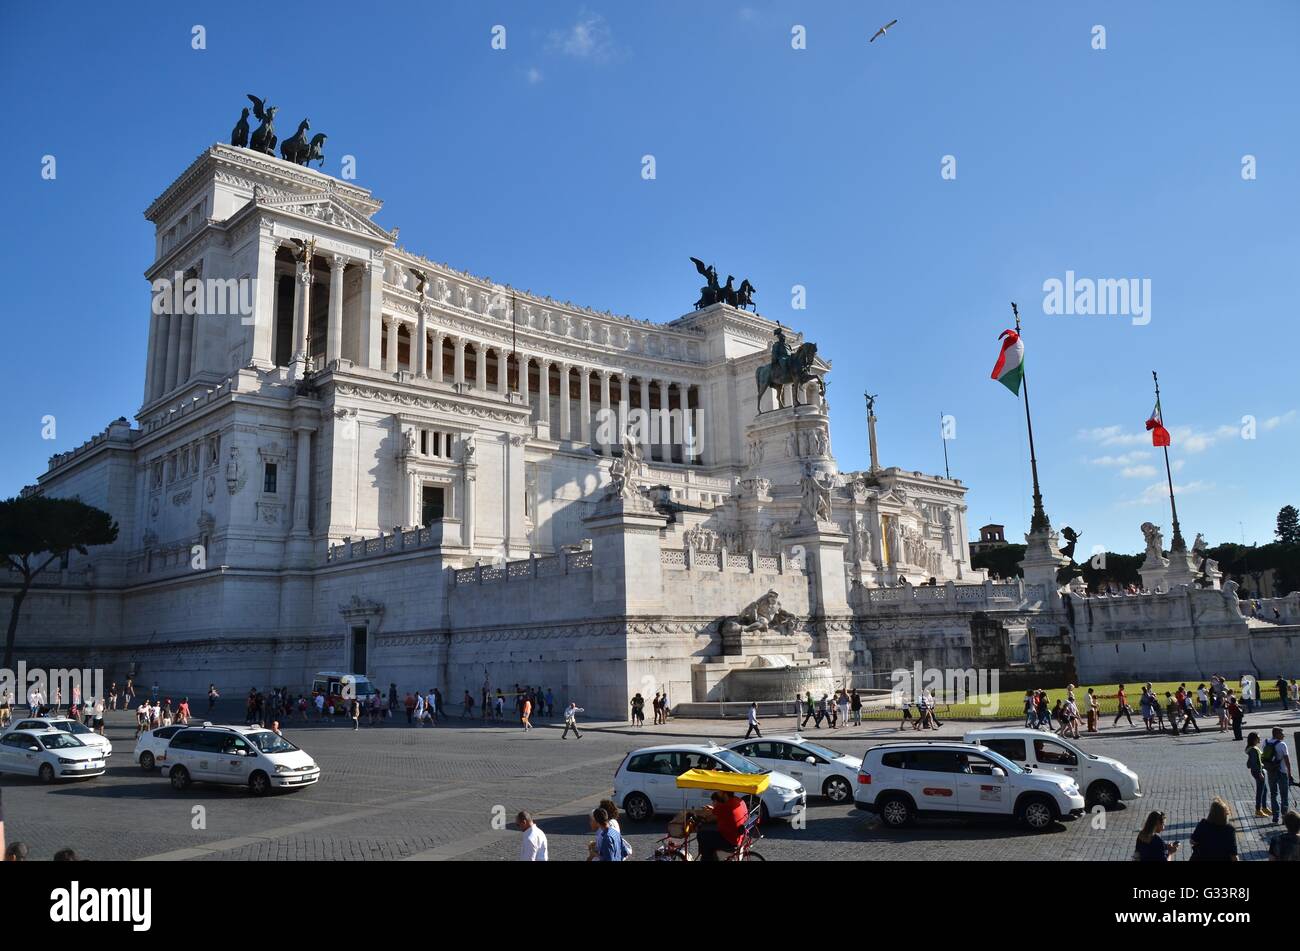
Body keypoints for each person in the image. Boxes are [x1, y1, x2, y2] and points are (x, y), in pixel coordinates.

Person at [696, 789, 749, 862]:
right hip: (739, 836)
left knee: (701, 835)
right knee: (710, 833)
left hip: (730, 840)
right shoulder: (739, 801)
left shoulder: (724, 806)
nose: (717, 793)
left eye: (719, 791)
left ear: (724, 793)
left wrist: (699, 817)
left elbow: (709, 818)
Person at [1262, 727, 1294, 822]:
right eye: (1282, 733)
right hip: (1282, 772)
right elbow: (1287, 761)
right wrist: (1290, 774)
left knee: (1273, 794)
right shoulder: (1282, 744)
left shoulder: (1266, 742)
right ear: (1276, 734)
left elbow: (1264, 756)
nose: (1284, 735)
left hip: (1271, 771)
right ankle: (1284, 817)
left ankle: (1275, 816)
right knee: (1284, 795)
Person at [1245, 732, 1270, 818]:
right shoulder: (1254, 750)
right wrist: (1260, 773)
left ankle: (1264, 807)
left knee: (1265, 790)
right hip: (1258, 771)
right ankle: (1258, 810)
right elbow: (1258, 762)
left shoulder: (1253, 748)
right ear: (1254, 739)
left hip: (1257, 771)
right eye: (1258, 738)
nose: (1260, 739)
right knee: (1260, 791)